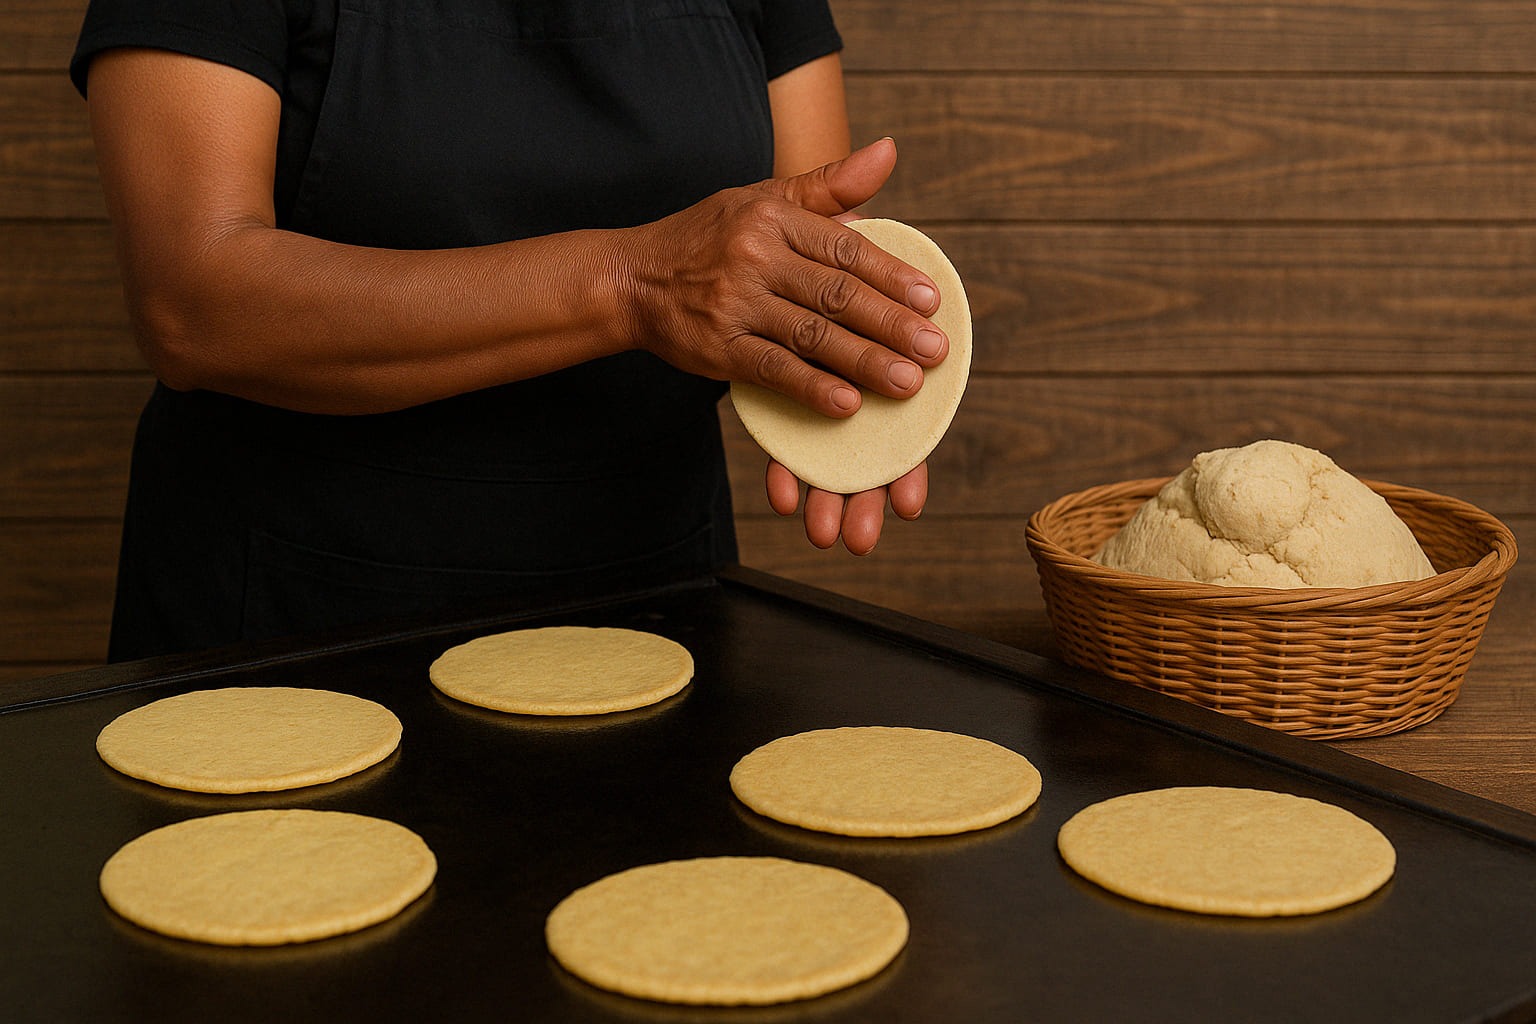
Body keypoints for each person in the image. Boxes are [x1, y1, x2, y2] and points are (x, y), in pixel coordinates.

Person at [70, 0, 950, 662]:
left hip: (661, 603)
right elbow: (190, 302)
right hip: (289, 619)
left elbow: (815, 232)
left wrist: (860, 348)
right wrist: (631, 284)